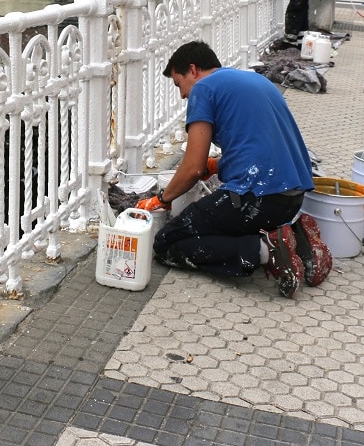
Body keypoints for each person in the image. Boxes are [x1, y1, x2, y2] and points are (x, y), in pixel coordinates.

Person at [134, 41, 330, 298]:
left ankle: (265, 250)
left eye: (178, 84)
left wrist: (161, 199)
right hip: (292, 200)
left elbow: (192, 168)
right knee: (225, 222)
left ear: (193, 70)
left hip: (259, 198)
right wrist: (216, 166)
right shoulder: (253, 80)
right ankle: (293, 233)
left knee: (167, 242)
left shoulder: (203, 88)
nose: (182, 95)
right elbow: (258, 142)